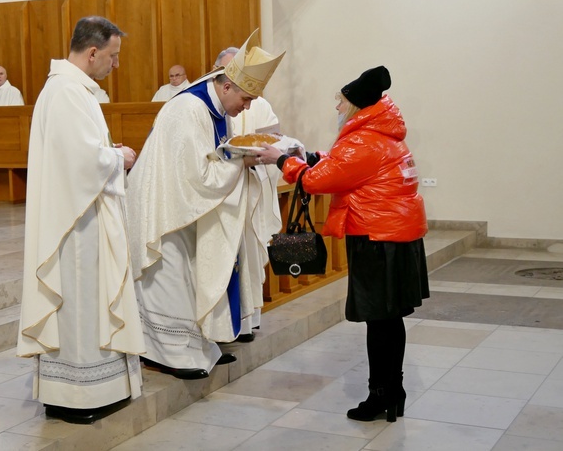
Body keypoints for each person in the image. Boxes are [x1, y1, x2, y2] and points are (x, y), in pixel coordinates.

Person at [255, 66, 430, 422]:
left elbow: (320, 181)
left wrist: (283, 160)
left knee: (378, 322)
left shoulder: (364, 140)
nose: (337, 108)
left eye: (341, 101)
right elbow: (343, 167)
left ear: (355, 106)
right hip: (395, 235)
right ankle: (391, 392)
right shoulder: (383, 134)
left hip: (376, 238)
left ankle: (380, 395)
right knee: (388, 320)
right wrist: (310, 156)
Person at [126, 30, 285, 379]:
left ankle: (194, 347)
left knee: (187, 278)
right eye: (245, 98)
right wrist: (239, 163)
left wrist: (237, 158)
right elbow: (197, 176)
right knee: (168, 280)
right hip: (161, 211)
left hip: (181, 205)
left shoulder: (215, 108)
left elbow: (209, 161)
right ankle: (167, 354)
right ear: (226, 86)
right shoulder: (188, 109)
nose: (247, 107)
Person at [16, 16, 145, 424]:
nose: (115, 65)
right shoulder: (68, 91)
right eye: (113, 56)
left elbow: (80, 152)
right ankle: (76, 394)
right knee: (80, 304)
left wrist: (107, 152)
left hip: (81, 213)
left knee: (85, 305)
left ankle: (89, 389)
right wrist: (118, 157)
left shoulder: (73, 89)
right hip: (75, 225)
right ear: (92, 53)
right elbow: (81, 161)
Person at [215, 47, 283, 343]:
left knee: (249, 255)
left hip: (249, 190)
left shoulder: (260, 106)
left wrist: (256, 162)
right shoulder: (211, 105)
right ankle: (224, 321)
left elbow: (275, 142)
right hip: (221, 194)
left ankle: (247, 319)